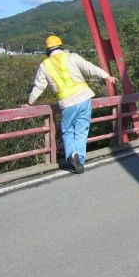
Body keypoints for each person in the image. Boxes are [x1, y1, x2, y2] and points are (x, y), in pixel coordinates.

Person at [25, 35, 117, 173]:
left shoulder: (44, 65)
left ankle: (72, 154)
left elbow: (39, 86)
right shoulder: (71, 57)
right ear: (61, 46)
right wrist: (106, 76)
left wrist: (29, 102)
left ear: (48, 50)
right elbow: (89, 67)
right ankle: (79, 159)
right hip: (84, 97)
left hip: (67, 102)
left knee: (68, 130)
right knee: (81, 131)